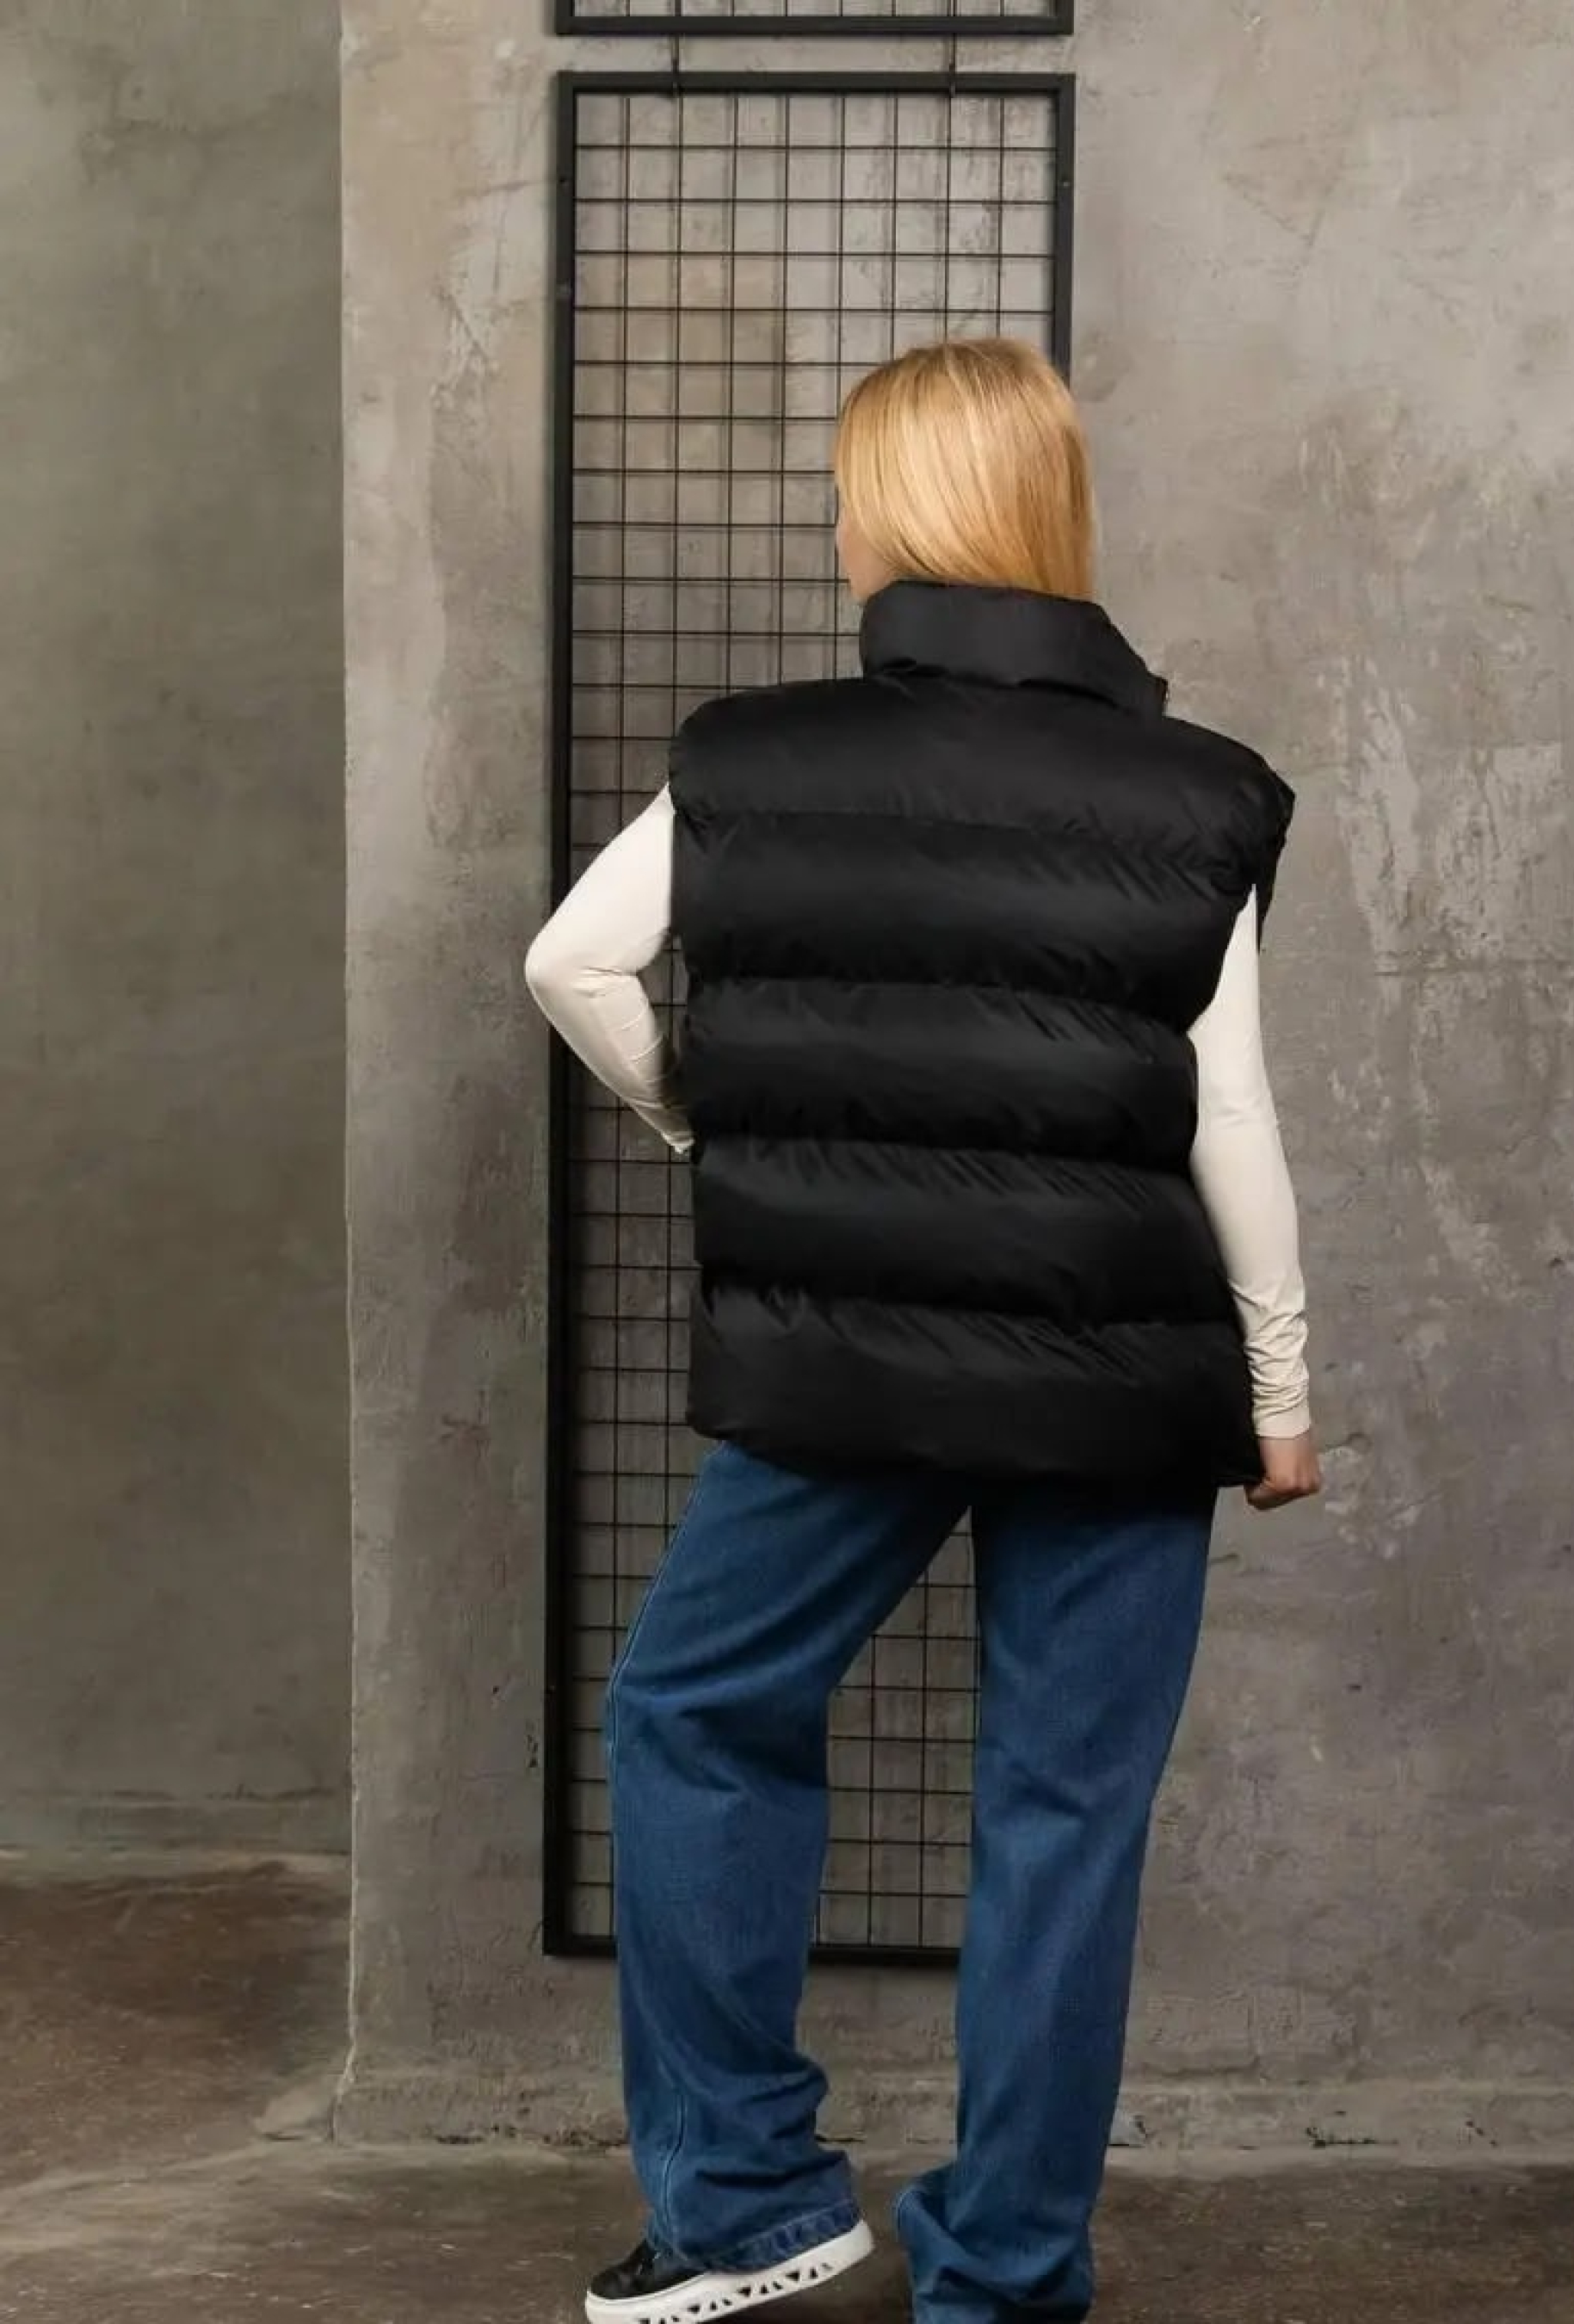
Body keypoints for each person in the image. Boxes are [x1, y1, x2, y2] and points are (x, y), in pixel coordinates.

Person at [527, 338, 1320, 2324]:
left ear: (885, 514)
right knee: (1063, 1817)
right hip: (1127, 1377)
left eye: (841, 496)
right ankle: (1006, 2277)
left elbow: (573, 964)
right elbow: (1228, 1117)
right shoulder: (1199, 791)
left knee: (693, 1715)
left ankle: (742, 2204)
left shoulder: (751, 757)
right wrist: (1282, 1396)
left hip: (841, 1369)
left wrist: (718, 1125)